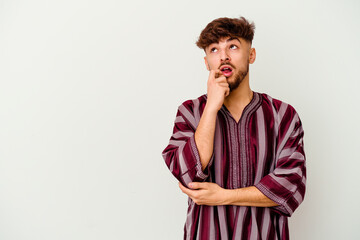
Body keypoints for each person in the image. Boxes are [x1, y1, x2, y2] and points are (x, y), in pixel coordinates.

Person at [161, 16, 306, 240]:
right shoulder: (190, 112)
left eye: (233, 46)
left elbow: (289, 186)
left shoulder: (283, 116)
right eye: (214, 49)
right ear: (206, 62)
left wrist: (223, 196)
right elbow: (186, 174)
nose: (224, 56)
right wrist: (211, 108)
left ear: (251, 54)